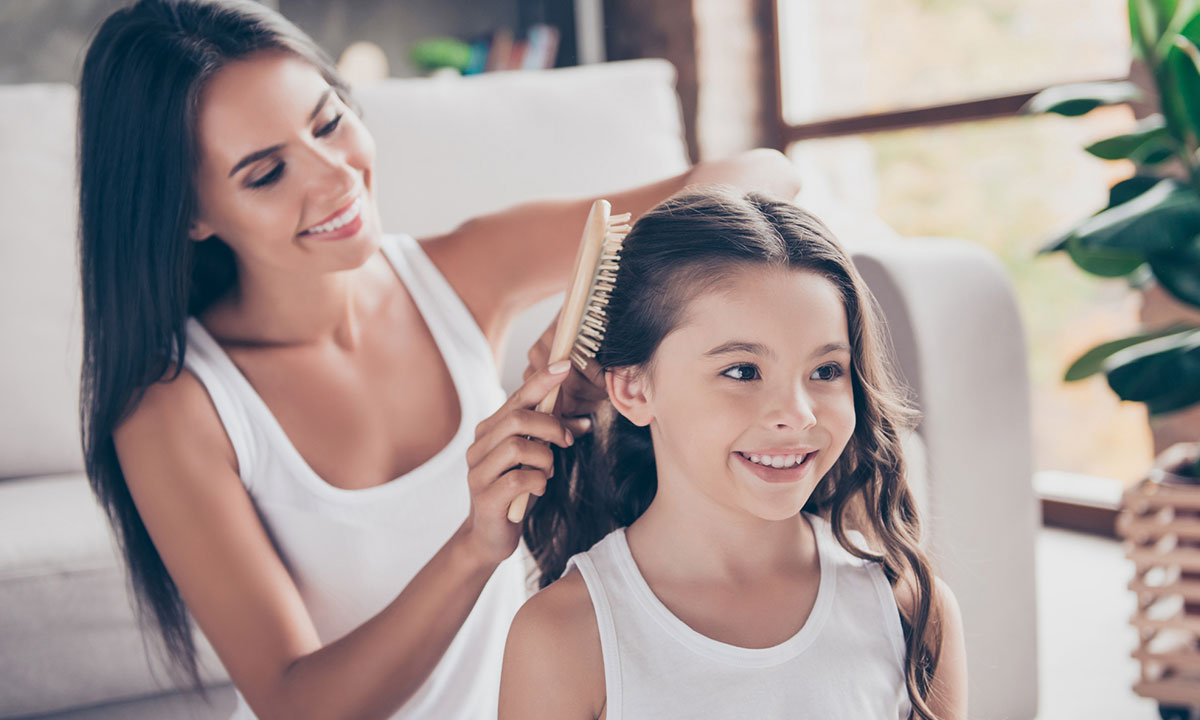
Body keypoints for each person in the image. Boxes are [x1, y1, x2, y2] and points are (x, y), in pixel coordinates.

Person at [76, 1, 801, 718]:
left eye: (329, 122)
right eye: (267, 173)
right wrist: (475, 546)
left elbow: (760, 173)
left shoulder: (462, 271)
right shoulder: (176, 406)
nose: (334, 177)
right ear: (190, 214)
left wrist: (600, 319)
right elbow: (296, 704)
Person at [499, 189, 968, 720]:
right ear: (633, 389)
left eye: (826, 371)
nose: (799, 414)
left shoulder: (909, 608)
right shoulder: (564, 638)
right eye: (743, 371)